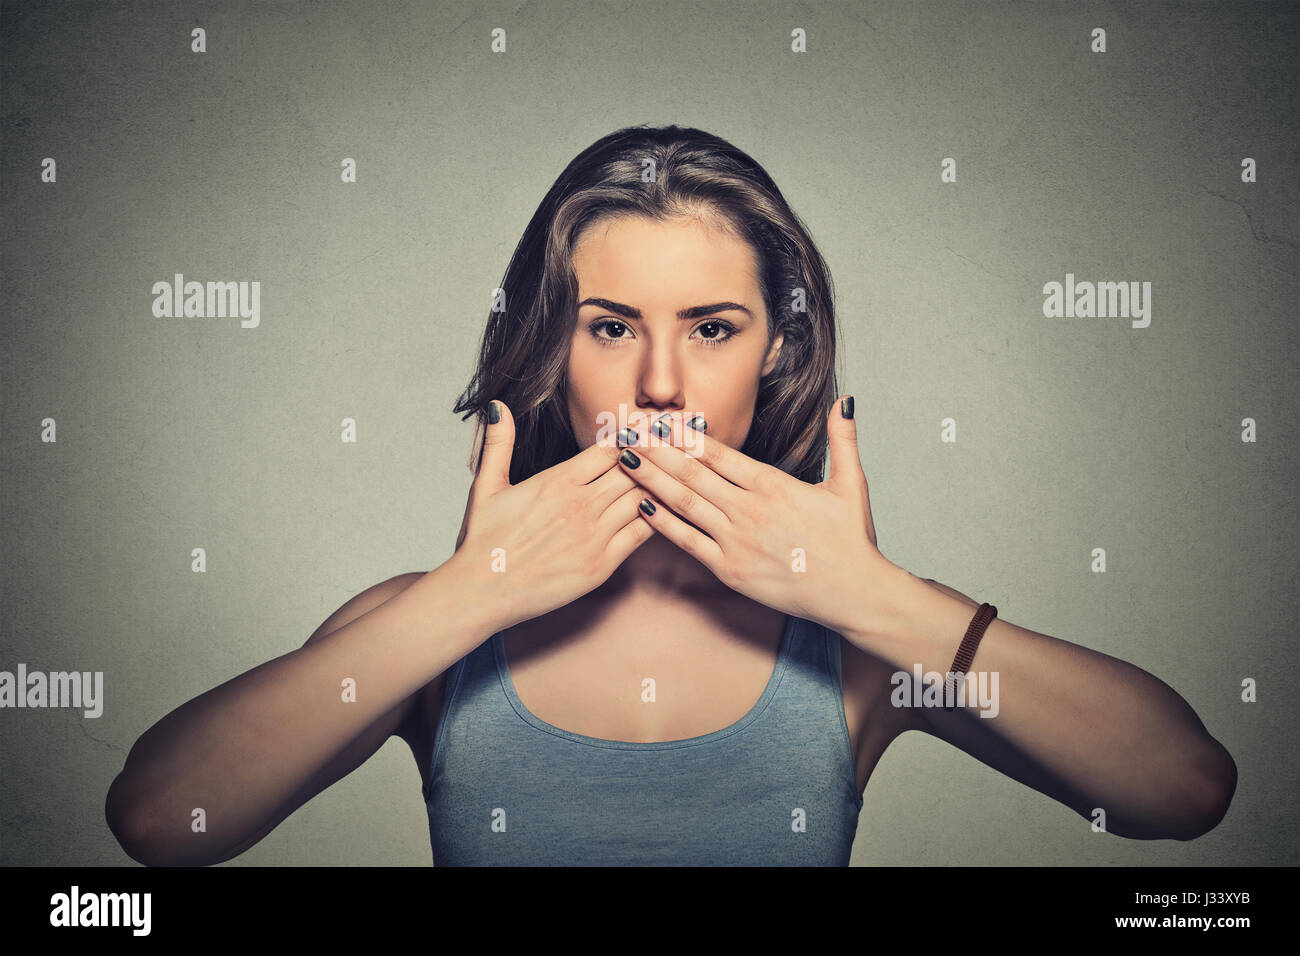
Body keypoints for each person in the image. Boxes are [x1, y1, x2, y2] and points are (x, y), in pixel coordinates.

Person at [105, 125, 1236, 866]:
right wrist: (468, 596)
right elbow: (158, 820)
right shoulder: (438, 626)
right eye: (609, 326)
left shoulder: (855, 634)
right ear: (551, 347)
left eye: (710, 328)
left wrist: (877, 596)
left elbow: (1181, 786)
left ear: (775, 356)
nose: (658, 380)